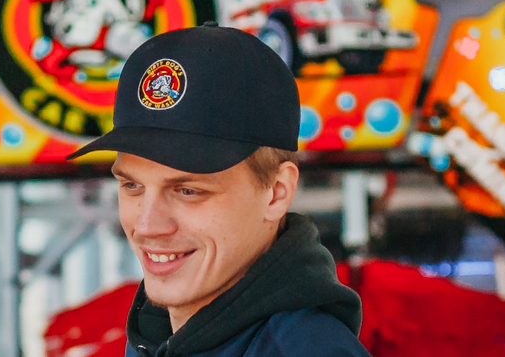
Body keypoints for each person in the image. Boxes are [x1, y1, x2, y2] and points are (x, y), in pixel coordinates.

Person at [67, 22, 370, 357]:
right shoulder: (156, 337)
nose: (148, 226)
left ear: (277, 192)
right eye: (132, 185)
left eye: (188, 190)